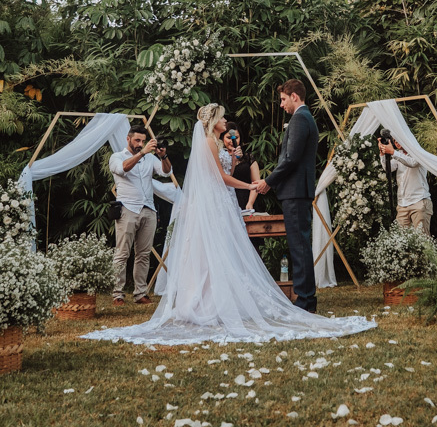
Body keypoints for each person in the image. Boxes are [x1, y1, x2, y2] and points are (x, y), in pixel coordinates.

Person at [81, 103, 375, 345]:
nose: (226, 122)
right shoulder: (208, 141)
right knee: (215, 251)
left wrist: (234, 160)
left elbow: (226, 169)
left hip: (224, 202)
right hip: (217, 200)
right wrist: (251, 186)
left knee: (226, 251)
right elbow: (220, 179)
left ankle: (223, 298)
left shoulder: (216, 143)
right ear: (213, 122)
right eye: (222, 118)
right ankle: (208, 302)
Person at [256, 80, 321, 312]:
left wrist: (268, 182)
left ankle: (305, 300)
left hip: (296, 192)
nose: (281, 104)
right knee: (299, 245)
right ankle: (306, 299)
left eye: (283, 99)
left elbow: (291, 159)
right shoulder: (304, 118)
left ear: (294, 96)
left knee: (299, 246)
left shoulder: (300, 119)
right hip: (297, 191)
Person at [109, 126, 172, 305]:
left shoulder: (150, 158)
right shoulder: (117, 157)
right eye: (137, 140)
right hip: (127, 208)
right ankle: (118, 294)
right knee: (122, 253)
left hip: (148, 209)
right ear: (128, 139)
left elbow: (166, 172)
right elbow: (122, 169)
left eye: (143, 141)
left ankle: (140, 293)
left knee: (144, 254)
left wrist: (163, 156)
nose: (140, 144)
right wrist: (142, 153)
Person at [378, 134, 433, 234]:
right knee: (401, 241)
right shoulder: (398, 154)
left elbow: (412, 163)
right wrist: (382, 154)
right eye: (394, 140)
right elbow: (388, 168)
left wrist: (393, 152)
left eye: (398, 139)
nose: (396, 142)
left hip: (419, 201)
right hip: (402, 204)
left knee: (423, 241)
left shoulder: (418, 152)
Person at [225, 124, 261, 212]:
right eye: (229, 138)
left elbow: (256, 181)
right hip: (228, 200)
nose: (232, 141)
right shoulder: (221, 157)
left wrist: (250, 202)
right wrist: (233, 159)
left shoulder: (248, 157)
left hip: (247, 197)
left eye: (236, 137)